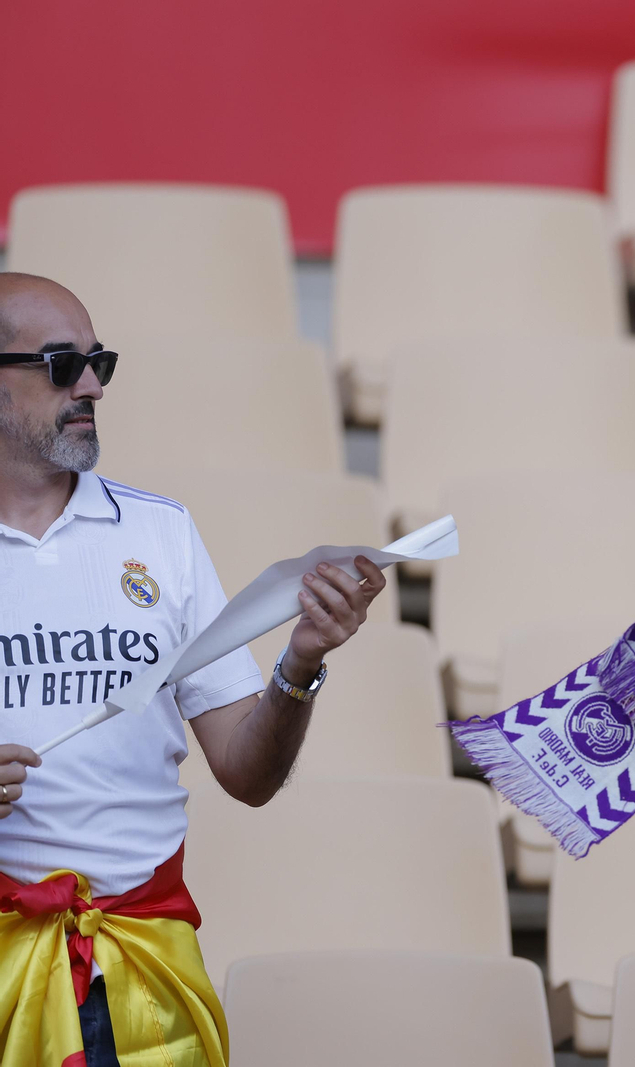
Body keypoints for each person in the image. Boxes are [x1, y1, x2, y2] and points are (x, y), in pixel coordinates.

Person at [0, 273, 385, 1067]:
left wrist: (301, 661)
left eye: (100, 361)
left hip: (145, 967)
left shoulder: (162, 535)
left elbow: (247, 772)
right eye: (64, 364)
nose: (93, 386)